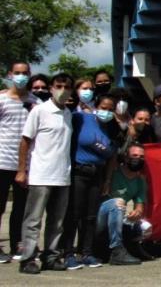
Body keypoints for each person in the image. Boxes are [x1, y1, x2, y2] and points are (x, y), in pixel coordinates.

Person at [17, 73, 75, 274]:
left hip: (62, 175)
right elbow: (25, 140)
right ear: (51, 87)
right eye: (58, 86)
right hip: (41, 174)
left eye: (66, 87)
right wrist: (22, 170)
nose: (62, 90)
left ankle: (51, 255)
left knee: (57, 221)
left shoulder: (68, 114)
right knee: (33, 219)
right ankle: (28, 258)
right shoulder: (40, 111)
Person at [61, 94, 120, 270]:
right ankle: (68, 253)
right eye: (104, 107)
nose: (106, 112)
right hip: (79, 171)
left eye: (110, 109)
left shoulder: (111, 129)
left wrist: (107, 180)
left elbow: (112, 157)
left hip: (98, 174)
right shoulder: (81, 119)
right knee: (74, 214)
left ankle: (86, 252)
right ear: (97, 106)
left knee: (91, 216)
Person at [0, 69, 39, 263]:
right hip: (2, 161)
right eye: (17, 72)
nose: (21, 76)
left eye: (25, 72)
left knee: (21, 208)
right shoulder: (1, 99)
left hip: (25, 164)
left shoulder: (34, 102)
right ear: (10, 74)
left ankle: (18, 243)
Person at [96, 143, 151, 265]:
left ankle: (133, 248)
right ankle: (117, 250)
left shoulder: (140, 180)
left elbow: (140, 206)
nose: (138, 159)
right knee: (118, 203)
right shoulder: (113, 172)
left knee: (145, 227)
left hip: (118, 217)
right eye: (134, 155)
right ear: (126, 157)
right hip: (100, 217)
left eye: (141, 157)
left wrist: (136, 213)